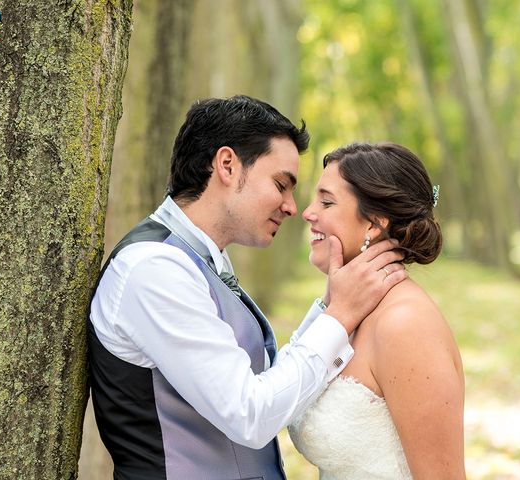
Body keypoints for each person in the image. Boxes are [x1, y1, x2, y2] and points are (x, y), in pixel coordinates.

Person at [88, 96, 407, 480]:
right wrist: (339, 316)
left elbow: (265, 381)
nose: (293, 208)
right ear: (227, 165)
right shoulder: (154, 269)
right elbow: (250, 414)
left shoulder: (197, 258)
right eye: (281, 184)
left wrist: (329, 306)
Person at [289, 142, 466, 479]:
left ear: (373, 224)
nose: (308, 212)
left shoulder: (406, 325)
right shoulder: (348, 312)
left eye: (326, 202)